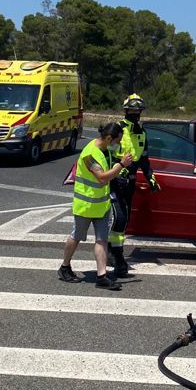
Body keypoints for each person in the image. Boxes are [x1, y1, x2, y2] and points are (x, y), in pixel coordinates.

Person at [59, 122, 130, 289]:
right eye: (117, 141)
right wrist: (121, 165)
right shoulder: (89, 154)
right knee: (77, 237)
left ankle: (102, 277)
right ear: (108, 138)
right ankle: (65, 267)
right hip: (86, 205)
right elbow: (102, 177)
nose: (118, 144)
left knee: (102, 240)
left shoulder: (105, 150)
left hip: (102, 205)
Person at [109, 94, 160, 278]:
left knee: (126, 218)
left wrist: (151, 178)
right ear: (125, 111)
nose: (134, 114)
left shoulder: (142, 133)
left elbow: (144, 160)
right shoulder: (117, 129)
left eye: (137, 111)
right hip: (115, 180)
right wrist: (117, 168)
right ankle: (114, 254)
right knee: (119, 218)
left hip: (130, 181)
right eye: (131, 110)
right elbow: (107, 154)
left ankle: (115, 251)